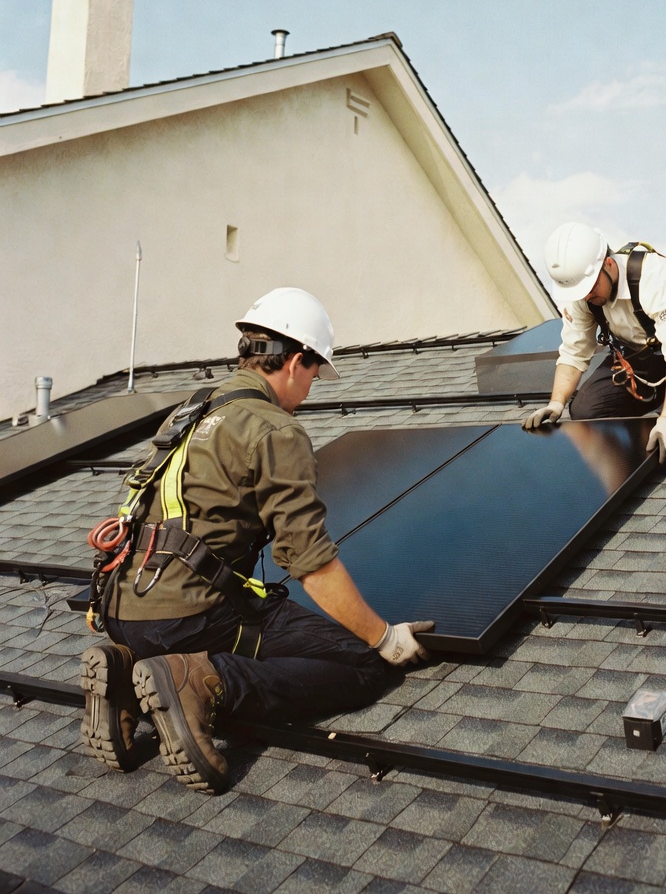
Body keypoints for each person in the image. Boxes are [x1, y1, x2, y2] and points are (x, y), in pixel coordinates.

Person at [80, 287, 433, 794]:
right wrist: (385, 637)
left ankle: (126, 675)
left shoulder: (191, 409)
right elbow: (309, 563)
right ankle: (205, 682)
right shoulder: (274, 429)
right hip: (188, 621)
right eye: (314, 373)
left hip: (124, 611)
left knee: (237, 618)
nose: (311, 388)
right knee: (360, 664)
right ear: (294, 361)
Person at [523, 223, 666, 460]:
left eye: (589, 288)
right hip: (642, 354)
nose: (585, 297)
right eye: (579, 292)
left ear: (609, 264)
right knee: (585, 410)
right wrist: (555, 404)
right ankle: (660, 393)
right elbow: (574, 353)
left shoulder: (654, 277)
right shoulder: (583, 292)